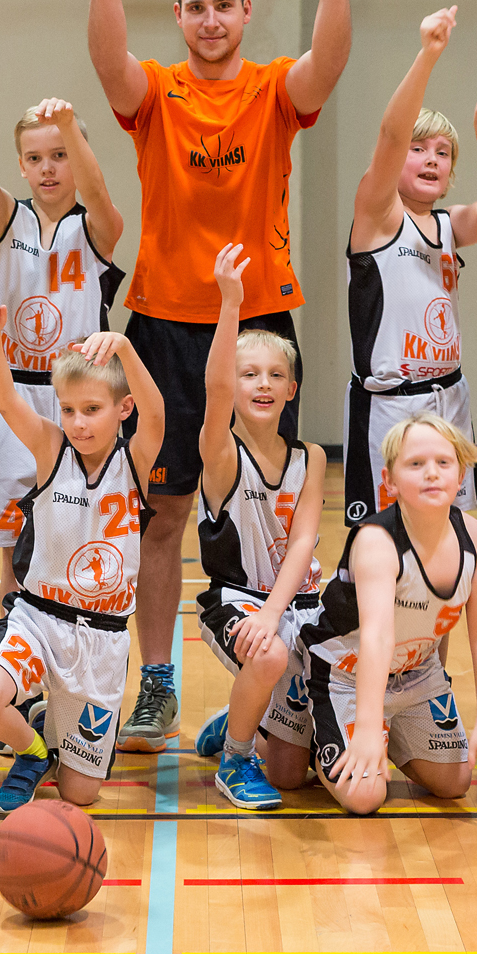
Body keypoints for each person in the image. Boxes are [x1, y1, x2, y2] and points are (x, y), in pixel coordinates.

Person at [80, 0, 361, 752]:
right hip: (165, 323)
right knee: (163, 514)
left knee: (271, 515)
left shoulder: (274, 88)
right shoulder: (156, 92)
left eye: (223, 6)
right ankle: (158, 682)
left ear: (246, 12)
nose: (209, 19)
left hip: (261, 323)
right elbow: (107, 62)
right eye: (195, 7)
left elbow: (330, 62)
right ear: (179, 16)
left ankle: (268, 686)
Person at [0, 306, 165, 813]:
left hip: (102, 638)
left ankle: (51, 728)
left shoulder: (135, 461)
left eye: (92, 409)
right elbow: (5, 399)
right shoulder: (52, 449)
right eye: (68, 409)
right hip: (38, 619)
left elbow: (158, 412)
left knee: (80, 794)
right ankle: (32, 752)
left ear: (123, 408)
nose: (77, 422)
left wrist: (124, 347)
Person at [0, 88, 124, 585]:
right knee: (16, 549)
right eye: (35, 158)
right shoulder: (6, 219)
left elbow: (98, 192)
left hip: (78, 398)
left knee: (84, 538)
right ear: (21, 166)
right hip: (13, 395)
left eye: (60, 155)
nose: (48, 168)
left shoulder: (97, 227)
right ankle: (12, 634)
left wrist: (70, 127)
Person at [342, 4, 477, 525]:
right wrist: (428, 55)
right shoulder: (377, 214)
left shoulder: (448, 224)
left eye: (443, 152)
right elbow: (390, 137)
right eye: (419, 149)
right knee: (382, 533)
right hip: (390, 404)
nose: (432, 158)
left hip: (449, 395)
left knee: (452, 528)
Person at [300, 414, 477, 816]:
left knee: (455, 782)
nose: (431, 472)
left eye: (443, 462)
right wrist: (367, 729)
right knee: (361, 796)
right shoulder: (377, 541)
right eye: (415, 464)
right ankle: (301, 724)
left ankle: (390, 732)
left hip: (417, 673)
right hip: (346, 673)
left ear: (461, 474)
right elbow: (377, 638)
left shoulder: (474, 537)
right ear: (390, 481)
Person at [190, 244, 327, 811]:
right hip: (237, 602)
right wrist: (230, 303)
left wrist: (279, 609)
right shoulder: (221, 452)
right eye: (249, 375)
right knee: (267, 655)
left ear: (292, 389)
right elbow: (215, 390)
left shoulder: (311, 457)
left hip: (298, 600)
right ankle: (237, 757)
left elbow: (303, 542)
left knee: (294, 773)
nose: (262, 383)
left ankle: (241, 714)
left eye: (275, 375)